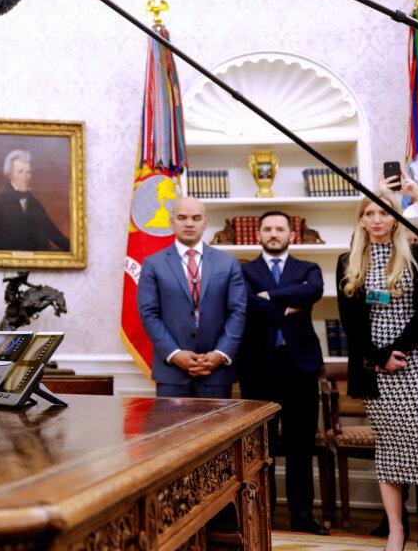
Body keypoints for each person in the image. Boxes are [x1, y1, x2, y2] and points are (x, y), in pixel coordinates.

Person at [336, 175, 418, 551]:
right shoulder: (349, 260)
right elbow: (351, 321)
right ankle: (396, 531)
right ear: (361, 220)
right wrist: (378, 357)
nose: (377, 219)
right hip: (376, 369)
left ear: (397, 219)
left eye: (385, 213)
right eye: (370, 213)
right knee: (391, 451)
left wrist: (417, 195)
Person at [238, 210, 327, 535]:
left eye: (280, 228)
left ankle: (302, 515)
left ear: (292, 234)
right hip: (259, 368)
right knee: (262, 449)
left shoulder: (308, 269)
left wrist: (270, 297)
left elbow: (313, 291)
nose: (274, 233)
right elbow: (247, 304)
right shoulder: (245, 271)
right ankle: (264, 515)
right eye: (268, 229)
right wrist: (290, 302)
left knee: (300, 445)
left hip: (300, 368)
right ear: (258, 234)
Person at [137, 196, 247, 398]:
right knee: (173, 430)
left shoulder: (228, 263)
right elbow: (149, 314)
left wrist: (220, 354)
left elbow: (237, 312)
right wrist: (175, 354)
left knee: (217, 430)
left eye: (196, 218)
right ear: (171, 221)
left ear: (205, 223)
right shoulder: (153, 264)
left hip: (216, 371)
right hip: (171, 372)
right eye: (182, 217)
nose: (189, 223)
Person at [0, 149, 70, 252]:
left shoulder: (34, 203)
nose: (25, 177)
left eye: (28, 172)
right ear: (9, 175)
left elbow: (53, 233)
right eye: (20, 172)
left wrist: (74, 251)